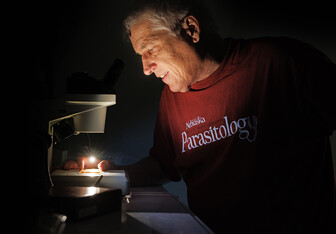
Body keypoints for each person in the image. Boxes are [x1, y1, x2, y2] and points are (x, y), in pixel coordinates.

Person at [65, 0, 336, 233]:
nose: (145, 69)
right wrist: (116, 173)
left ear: (191, 30)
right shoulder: (172, 97)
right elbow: (164, 164)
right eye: (140, 56)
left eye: (150, 50)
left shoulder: (284, 63)